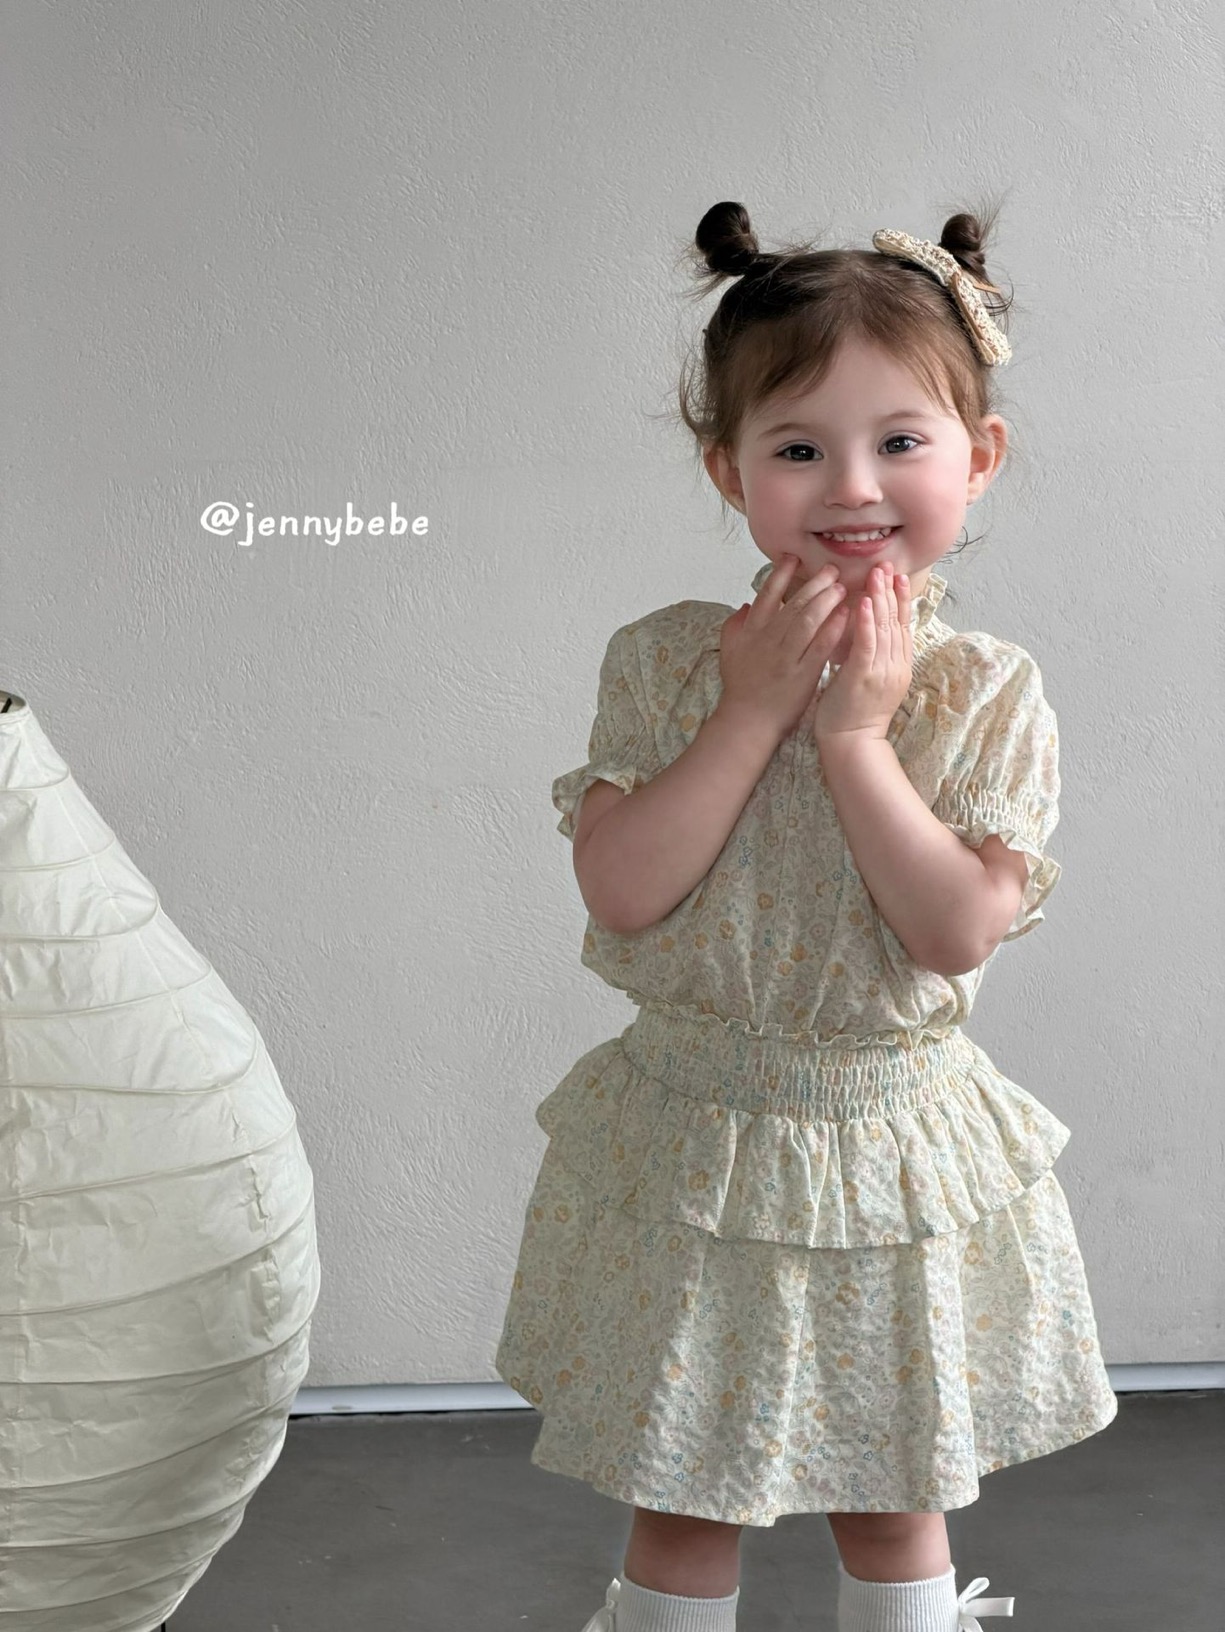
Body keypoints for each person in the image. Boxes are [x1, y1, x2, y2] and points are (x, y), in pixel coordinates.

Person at [495, 200, 1118, 1632]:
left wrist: (853, 737)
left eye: (900, 440)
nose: (852, 485)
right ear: (728, 469)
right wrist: (753, 709)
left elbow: (953, 931)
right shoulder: (665, 662)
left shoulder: (982, 690)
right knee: (682, 1483)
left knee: (894, 1486)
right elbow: (625, 889)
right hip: (696, 1136)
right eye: (796, 449)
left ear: (977, 456)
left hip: (885, 1141)